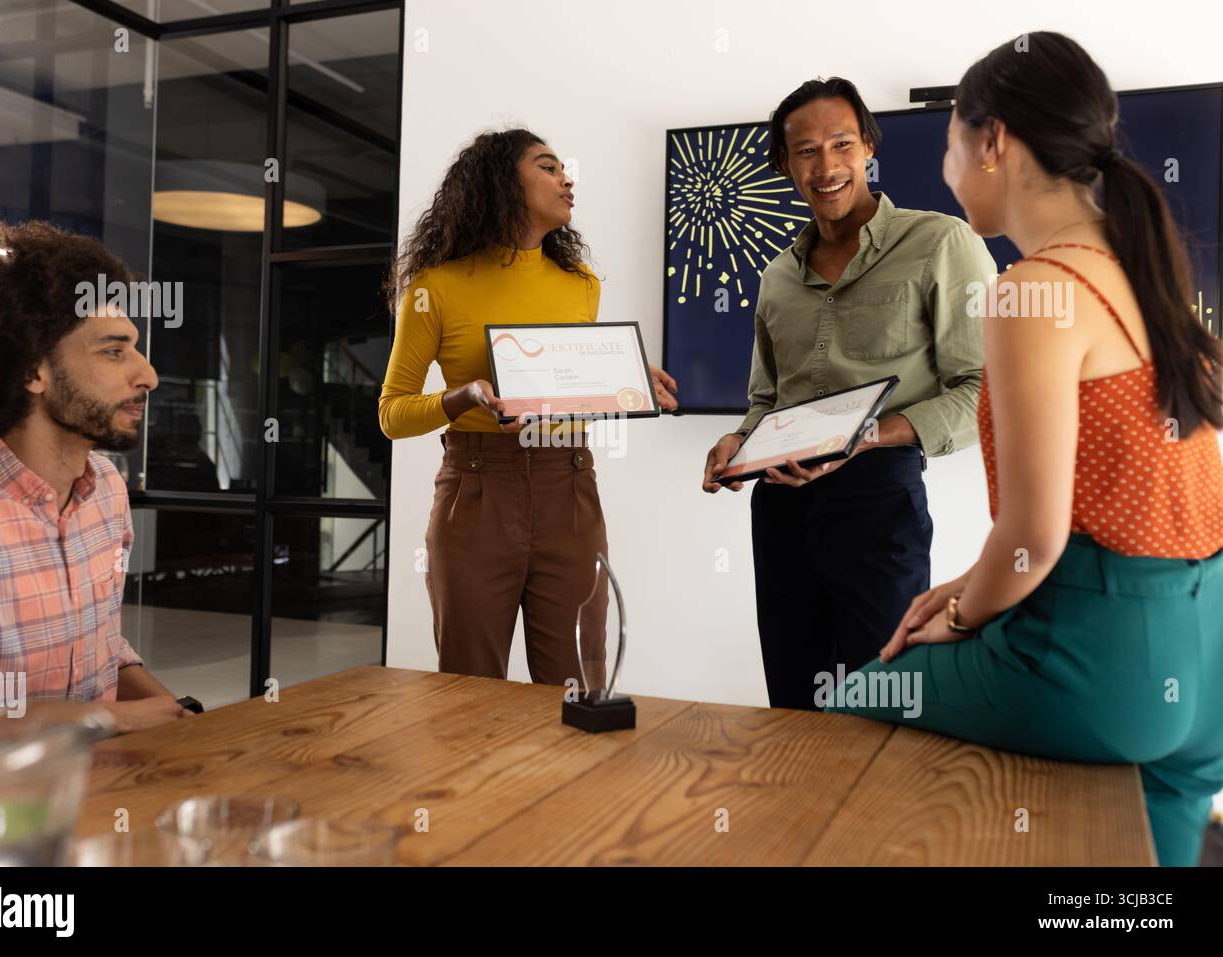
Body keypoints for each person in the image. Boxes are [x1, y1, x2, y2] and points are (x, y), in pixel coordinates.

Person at [826, 32, 1223, 867]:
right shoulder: (1146, 271)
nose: (943, 171)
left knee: (848, 702)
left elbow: (1037, 536)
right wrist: (966, 583)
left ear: (993, 141)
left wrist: (964, 617)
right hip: (1205, 648)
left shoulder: (1033, 289)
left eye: (945, 145)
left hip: (1103, 655)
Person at [701, 78, 995, 709]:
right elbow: (765, 401)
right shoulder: (777, 275)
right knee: (794, 705)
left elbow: (982, 391)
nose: (826, 165)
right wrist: (738, 440)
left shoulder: (941, 243)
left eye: (841, 143)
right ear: (784, 164)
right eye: (805, 150)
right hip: (780, 509)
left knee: (882, 703)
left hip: (877, 501)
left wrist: (873, 435)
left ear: (868, 146)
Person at [380, 128, 678, 686]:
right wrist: (463, 396)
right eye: (547, 167)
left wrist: (627, 378)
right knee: (469, 688)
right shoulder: (433, 287)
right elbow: (392, 414)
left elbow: (565, 383)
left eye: (565, 168)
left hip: (569, 483)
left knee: (577, 687)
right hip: (476, 488)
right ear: (500, 183)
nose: (566, 179)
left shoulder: (581, 284)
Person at [0, 221, 192, 773]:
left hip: (99, 802)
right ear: (33, 371)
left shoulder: (106, 490)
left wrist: (188, 727)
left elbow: (100, 649)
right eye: (114, 352)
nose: (149, 375)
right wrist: (97, 721)